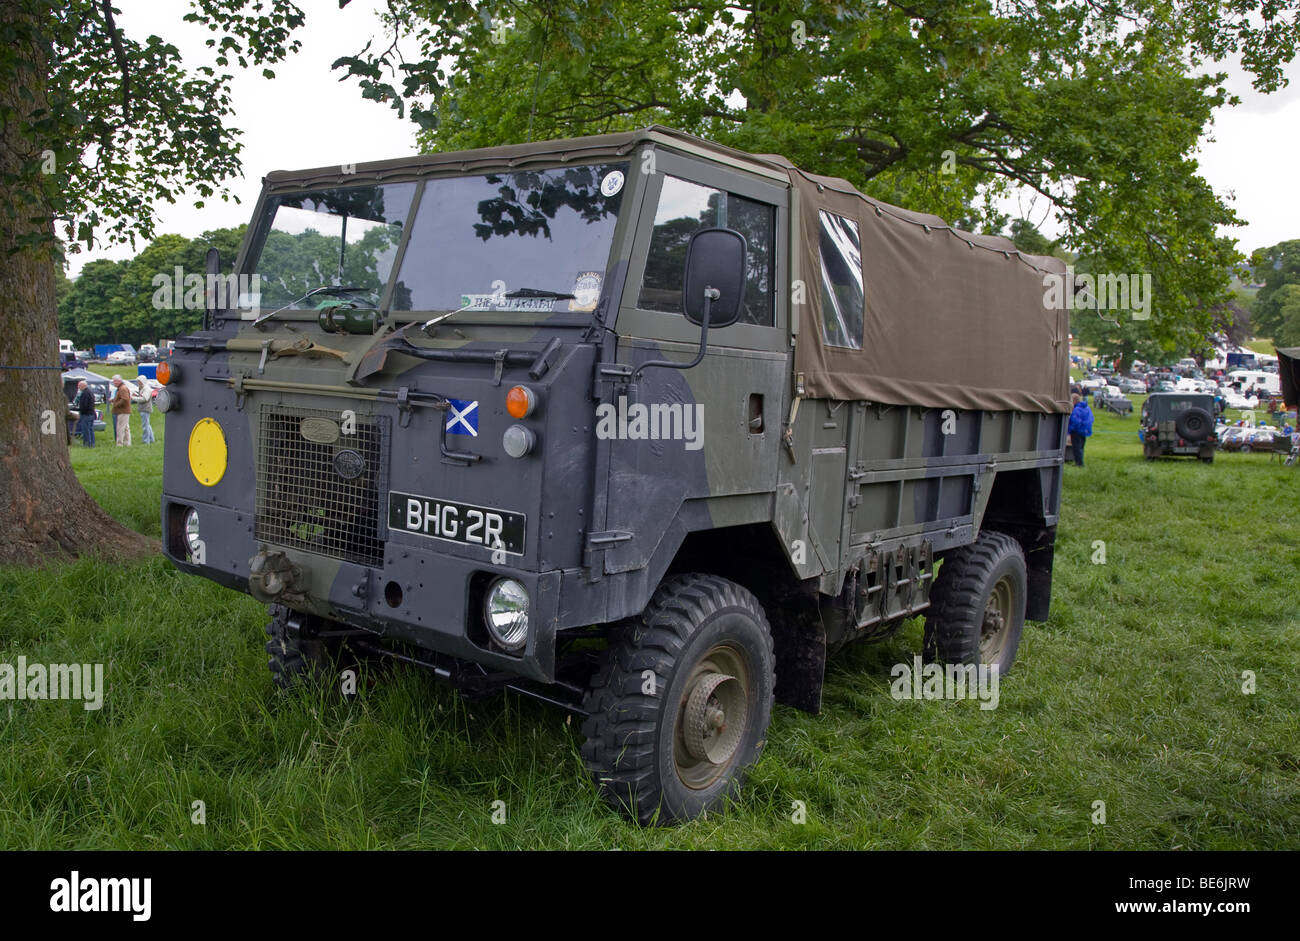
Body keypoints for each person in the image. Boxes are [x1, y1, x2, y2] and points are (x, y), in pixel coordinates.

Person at [1067, 392, 1093, 466]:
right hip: (1085, 430)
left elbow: (1075, 421)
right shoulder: (1087, 408)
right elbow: (1091, 418)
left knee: (1076, 448)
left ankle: (1079, 463)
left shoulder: (1076, 410)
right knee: (1081, 447)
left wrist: (1070, 430)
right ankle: (1080, 462)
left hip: (1077, 431)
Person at [110, 375, 132, 446]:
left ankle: (119, 444)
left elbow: (125, 399)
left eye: (114, 381)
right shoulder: (121, 388)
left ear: (119, 381)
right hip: (124, 411)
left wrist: (115, 404)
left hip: (122, 411)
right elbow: (122, 398)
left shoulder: (122, 389)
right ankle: (127, 443)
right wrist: (114, 400)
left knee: (120, 428)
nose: (114, 383)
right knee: (125, 428)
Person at [74, 380, 96, 447]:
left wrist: (77, 409)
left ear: (83, 386)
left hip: (86, 414)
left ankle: (87, 444)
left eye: (79, 386)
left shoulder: (85, 393)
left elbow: (84, 405)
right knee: (91, 429)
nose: (78, 387)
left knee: (86, 430)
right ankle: (92, 443)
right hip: (91, 413)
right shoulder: (90, 392)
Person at [135, 377, 155, 444]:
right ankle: (151, 439)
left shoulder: (147, 389)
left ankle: (146, 440)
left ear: (142, 381)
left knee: (145, 425)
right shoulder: (142, 388)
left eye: (139, 381)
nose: (138, 382)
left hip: (145, 408)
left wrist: (133, 398)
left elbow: (144, 398)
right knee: (147, 424)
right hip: (143, 408)